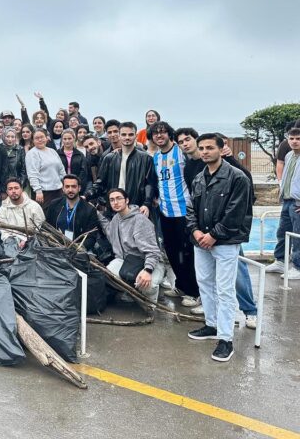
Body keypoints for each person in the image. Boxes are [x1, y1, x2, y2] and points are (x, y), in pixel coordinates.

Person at [186, 134, 251, 362]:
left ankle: (225, 339)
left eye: (210, 148)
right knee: (205, 282)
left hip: (224, 242)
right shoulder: (198, 178)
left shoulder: (237, 177)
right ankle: (211, 325)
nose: (204, 152)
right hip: (200, 241)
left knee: (225, 290)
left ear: (221, 149)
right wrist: (195, 231)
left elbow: (236, 213)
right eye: (202, 148)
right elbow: (191, 208)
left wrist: (213, 235)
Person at [149, 122, 199, 309]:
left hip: (185, 211)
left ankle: (194, 292)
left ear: (169, 134)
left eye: (162, 132)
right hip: (165, 211)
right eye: (155, 134)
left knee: (187, 254)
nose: (159, 136)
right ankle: (180, 286)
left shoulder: (181, 152)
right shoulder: (155, 157)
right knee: (171, 252)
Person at [98, 188, 165, 302]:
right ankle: (131, 292)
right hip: (126, 261)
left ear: (127, 200)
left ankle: (150, 305)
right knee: (105, 275)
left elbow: (153, 251)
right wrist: (98, 214)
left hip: (147, 262)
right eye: (112, 200)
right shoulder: (116, 219)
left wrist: (148, 271)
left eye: (119, 198)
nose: (115, 202)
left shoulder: (140, 220)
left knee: (146, 284)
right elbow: (109, 232)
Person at [86, 122, 156, 216]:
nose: (127, 137)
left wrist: (146, 204)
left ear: (136, 136)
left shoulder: (146, 158)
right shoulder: (109, 158)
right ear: (119, 135)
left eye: (130, 134)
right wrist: (87, 195)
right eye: (124, 134)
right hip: (114, 207)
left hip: (136, 207)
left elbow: (150, 184)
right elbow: (100, 183)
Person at [266, 127, 300, 279]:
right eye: (291, 138)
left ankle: (298, 267)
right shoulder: (289, 156)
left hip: (298, 202)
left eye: (298, 138)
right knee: (282, 231)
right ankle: (280, 261)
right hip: (287, 200)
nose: (294, 141)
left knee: (297, 235)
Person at [46, 175, 100, 252]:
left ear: (79, 188)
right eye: (67, 186)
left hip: (79, 250)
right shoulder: (54, 205)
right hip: (56, 248)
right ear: (63, 189)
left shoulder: (89, 210)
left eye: (73, 186)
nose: (70, 190)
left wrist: (78, 248)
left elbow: (91, 237)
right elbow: (47, 227)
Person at [25, 128, 66, 210]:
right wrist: (38, 190)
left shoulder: (52, 151)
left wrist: (65, 184)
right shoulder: (32, 154)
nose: (40, 140)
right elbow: (32, 174)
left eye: (42, 137)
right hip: (43, 193)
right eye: (37, 138)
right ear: (33, 140)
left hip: (58, 190)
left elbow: (61, 170)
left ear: (46, 138)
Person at [0, 178, 45, 246]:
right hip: (11, 243)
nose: (13, 191)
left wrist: (26, 241)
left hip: (32, 241)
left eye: (16, 188)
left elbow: (39, 228)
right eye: (10, 189)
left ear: (22, 189)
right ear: (7, 192)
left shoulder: (34, 207)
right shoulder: (2, 209)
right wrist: (13, 242)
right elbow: (4, 231)